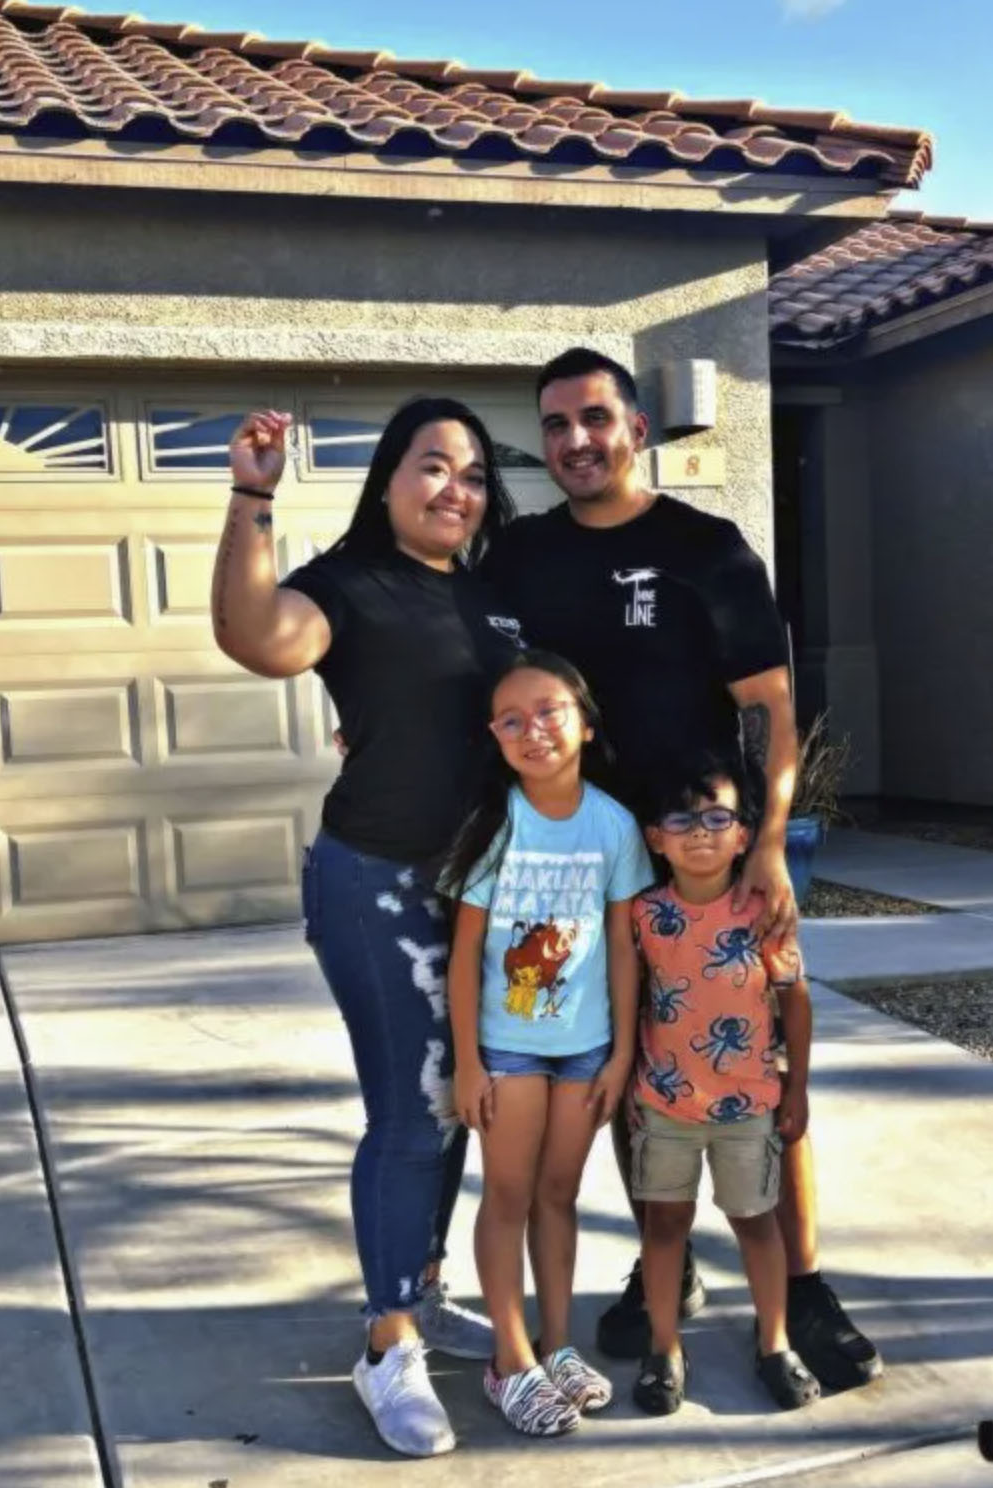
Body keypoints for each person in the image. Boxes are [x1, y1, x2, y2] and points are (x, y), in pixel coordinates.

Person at [482, 347, 883, 1392]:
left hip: (714, 859)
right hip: (592, 871)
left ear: (636, 430)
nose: (576, 439)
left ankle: (800, 1280)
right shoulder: (520, 557)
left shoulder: (705, 549)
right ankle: (663, 1255)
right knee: (628, 1066)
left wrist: (768, 841)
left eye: (595, 418)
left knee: (760, 1064)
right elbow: (456, 659)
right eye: (556, 423)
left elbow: (773, 708)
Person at [211, 400, 518, 1458]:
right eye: (431, 466)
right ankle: (387, 1339)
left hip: (473, 891)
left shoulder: (493, 600)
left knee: (458, 1104)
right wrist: (253, 495)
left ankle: (419, 1289)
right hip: (372, 879)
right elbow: (257, 638)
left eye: (472, 473)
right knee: (411, 1105)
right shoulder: (348, 581)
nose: (453, 488)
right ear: (387, 480)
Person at [446, 650, 653, 1435]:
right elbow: (466, 953)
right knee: (506, 1195)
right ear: (494, 736)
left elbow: (623, 946)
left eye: (550, 711)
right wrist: (469, 1061)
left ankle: (556, 1344)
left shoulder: (612, 825)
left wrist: (621, 1053)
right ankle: (510, 1360)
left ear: (586, 724)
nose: (533, 730)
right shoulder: (496, 822)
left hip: (585, 1049)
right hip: (508, 1049)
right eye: (511, 719)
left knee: (558, 1195)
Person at [631, 757, 819, 1414]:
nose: (701, 832)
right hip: (665, 1104)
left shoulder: (763, 911)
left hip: (748, 1105)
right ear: (656, 837)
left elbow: (794, 1001)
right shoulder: (644, 915)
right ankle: (665, 1349)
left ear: (743, 835)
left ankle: (774, 1343)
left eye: (718, 818)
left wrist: (796, 1090)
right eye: (682, 820)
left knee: (756, 1224)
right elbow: (629, 1001)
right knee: (663, 1227)